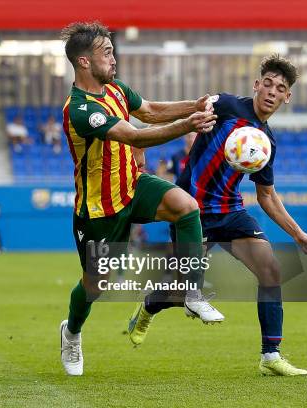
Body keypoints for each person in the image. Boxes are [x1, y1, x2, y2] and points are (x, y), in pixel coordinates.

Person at [134, 54, 307, 376]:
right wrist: (138, 140)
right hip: (190, 212)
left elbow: (266, 196)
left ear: (287, 97)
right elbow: (178, 114)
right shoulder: (227, 105)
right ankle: (149, 307)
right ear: (257, 85)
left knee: (271, 271)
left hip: (231, 212)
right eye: (269, 84)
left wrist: (297, 233)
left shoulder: (267, 143)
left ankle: (270, 355)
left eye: (281, 88)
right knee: (181, 292)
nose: (272, 92)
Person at [58, 22, 220, 376]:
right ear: (84, 62)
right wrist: (188, 124)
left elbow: (149, 111)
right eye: (106, 53)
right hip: (99, 209)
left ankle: (191, 293)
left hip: (133, 185)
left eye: (113, 51)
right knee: (95, 285)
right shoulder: (80, 108)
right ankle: (71, 333)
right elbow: (135, 136)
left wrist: (190, 106)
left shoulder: (115, 89)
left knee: (187, 208)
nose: (113, 59)